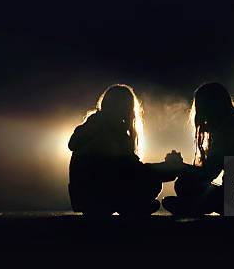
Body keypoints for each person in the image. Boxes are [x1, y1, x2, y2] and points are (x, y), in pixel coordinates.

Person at [68, 84, 180, 216]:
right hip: (103, 196)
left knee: (148, 185)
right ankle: (128, 206)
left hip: (83, 200)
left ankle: (123, 205)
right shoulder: (114, 133)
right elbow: (134, 169)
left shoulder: (89, 127)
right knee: (153, 183)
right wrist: (168, 168)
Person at [162, 82, 234, 216]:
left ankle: (193, 208)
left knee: (184, 184)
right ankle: (194, 207)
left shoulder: (228, 131)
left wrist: (179, 166)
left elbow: (208, 173)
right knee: (184, 185)